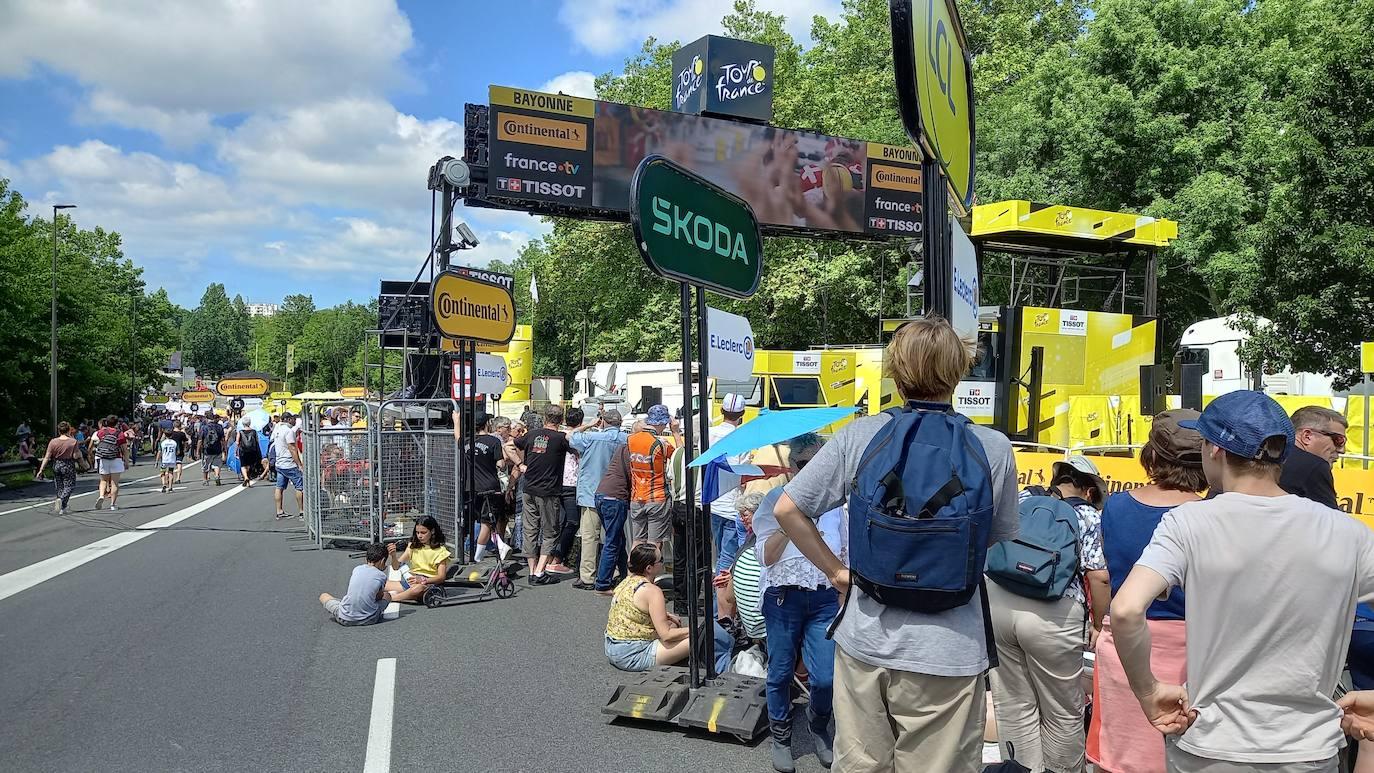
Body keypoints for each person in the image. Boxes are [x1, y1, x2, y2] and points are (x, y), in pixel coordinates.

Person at [772, 316, 1020, 773]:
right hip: (949, 651)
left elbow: (788, 510)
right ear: (959, 371)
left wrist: (836, 573)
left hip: (866, 639)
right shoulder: (992, 447)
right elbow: (996, 535)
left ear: (895, 371)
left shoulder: (860, 436)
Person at [1111, 390, 1374, 772]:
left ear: (1215, 450)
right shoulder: (1348, 532)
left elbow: (1125, 610)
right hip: (1308, 750)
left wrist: (1147, 691)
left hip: (1211, 746)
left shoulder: (1189, 522)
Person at [1087, 409, 1206, 773]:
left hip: (1124, 642)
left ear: (1151, 454)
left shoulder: (1117, 505)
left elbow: (1106, 573)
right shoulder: (1210, 514)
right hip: (1191, 647)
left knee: (1119, 755)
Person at [988, 453, 1109, 773]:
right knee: (1061, 710)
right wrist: (1098, 623)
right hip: (1054, 614)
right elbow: (1099, 575)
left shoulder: (1023, 498)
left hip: (999, 602)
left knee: (1013, 705)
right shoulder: (1089, 516)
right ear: (1090, 491)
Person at [750, 433, 847, 772]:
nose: (811, 470)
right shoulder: (774, 501)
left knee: (825, 678)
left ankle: (818, 726)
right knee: (779, 672)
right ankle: (781, 737)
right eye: (804, 463)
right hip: (783, 598)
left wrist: (843, 593)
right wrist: (791, 522)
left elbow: (845, 552)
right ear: (791, 467)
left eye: (818, 463)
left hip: (823, 598)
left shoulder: (836, 505)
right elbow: (765, 556)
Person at [604, 543, 690, 672]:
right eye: (660, 560)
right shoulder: (652, 591)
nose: (663, 562)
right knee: (697, 638)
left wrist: (667, 616)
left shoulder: (627, 581)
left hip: (613, 647)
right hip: (633, 654)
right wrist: (694, 630)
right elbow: (666, 635)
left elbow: (634, 610)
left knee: (673, 623)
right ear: (649, 568)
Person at [513, 404, 571, 585]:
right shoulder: (561, 438)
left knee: (530, 530)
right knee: (550, 531)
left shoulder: (532, 434)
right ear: (561, 420)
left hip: (529, 487)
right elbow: (575, 441)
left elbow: (509, 445)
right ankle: (539, 571)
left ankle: (532, 570)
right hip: (548, 490)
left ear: (545, 417)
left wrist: (520, 464)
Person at [570, 408, 628, 590]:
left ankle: (588, 575)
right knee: (614, 536)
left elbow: (571, 436)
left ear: (603, 421)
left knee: (590, 536)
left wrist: (588, 425)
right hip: (617, 493)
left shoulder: (592, 438)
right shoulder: (626, 439)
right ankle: (615, 571)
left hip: (591, 491)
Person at [708, 394, 750, 607]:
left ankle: (719, 606)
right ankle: (720, 610)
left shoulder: (709, 433)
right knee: (728, 558)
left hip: (713, 501)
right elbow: (743, 474)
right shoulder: (743, 437)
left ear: (722, 411)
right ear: (742, 414)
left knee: (719, 555)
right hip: (732, 504)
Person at [626, 405, 682, 550]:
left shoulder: (631, 439)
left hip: (636, 497)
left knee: (637, 542)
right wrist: (676, 432)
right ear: (663, 423)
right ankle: (653, 565)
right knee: (654, 544)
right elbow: (680, 457)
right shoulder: (661, 444)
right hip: (657, 497)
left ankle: (632, 565)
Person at [462, 412, 514, 563]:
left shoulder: (466, 441)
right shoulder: (493, 441)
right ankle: (477, 556)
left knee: (478, 519)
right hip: (490, 486)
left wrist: (456, 419)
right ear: (487, 424)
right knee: (487, 522)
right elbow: (500, 464)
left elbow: (457, 437)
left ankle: (484, 547)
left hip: (471, 487)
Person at [1280, 404, 1346, 509]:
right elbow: (1331, 517)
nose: (1342, 450)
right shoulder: (1315, 467)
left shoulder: (1268, 456)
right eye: (1338, 440)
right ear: (1307, 436)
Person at [546, 407, 586, 577]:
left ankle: (550, 557)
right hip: (571, 483)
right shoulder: (574, 437)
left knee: (560, 522)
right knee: (572, 522)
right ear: (581, 421)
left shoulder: (558, 435)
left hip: (556, 481)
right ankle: (557, 559)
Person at [319, 543, 392, 626]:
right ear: (382, 561)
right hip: (369, 619)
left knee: (323, 596)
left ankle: (346, 607)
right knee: (387, 595)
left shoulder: (357, 569)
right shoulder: (381, 575)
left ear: (366, 558)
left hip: (343, 617)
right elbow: (379, 596)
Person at [594, 440, 633, 595]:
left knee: (618, 540)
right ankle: (602, 584)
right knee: (613, 541)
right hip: (615, 498)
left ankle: (625, 577)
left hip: (602, 494)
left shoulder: (622, 448)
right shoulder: (632, 452)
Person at [384, 516, 452, 604]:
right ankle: (404, 595)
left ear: (432, 531)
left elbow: (441, 577)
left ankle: (392, 598)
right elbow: (396, 567)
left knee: (418, 589)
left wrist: (423, 580)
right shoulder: (412, 546)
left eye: (423, 532)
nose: (419, 536)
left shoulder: (441, 551)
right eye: (417, 532)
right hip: (412, 581)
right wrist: (393, 556)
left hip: (429, 584)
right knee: (380, 583)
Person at [36, 422, 81, 514]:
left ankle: (62, 508)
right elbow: (76, 456)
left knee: (59, 486)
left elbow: (47, 457)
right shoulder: (73, 442)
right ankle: (61, 499)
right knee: (69, 485)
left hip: (56, 464)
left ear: (59, 431)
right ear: (68, 430)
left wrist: (41, 470)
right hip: (68, 464)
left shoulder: (53, 442)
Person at [91, 415, 129, 511]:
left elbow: (96, 439)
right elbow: (124, 449)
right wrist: (126, 461)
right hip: (116, 459)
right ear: (117, 423)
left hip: (103, 458)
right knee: (114, 483)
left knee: (103, 480)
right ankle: (113, 504)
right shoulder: (120, 434)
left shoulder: (102, 432)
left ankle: (101, 496)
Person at [272, 412, 303, 518]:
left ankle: (279, 510)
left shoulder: (277, 430)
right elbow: (292, 448)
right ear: (289, 419)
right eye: (293, 419)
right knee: (299, 486)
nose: (295, 421)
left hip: (279, 462)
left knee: (279, 487)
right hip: (289, 463)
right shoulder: (289, 431)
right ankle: (302, 511)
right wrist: (299, 464)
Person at [198, 412, 226, 486]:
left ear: (206, 418)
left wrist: (198, 451)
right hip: (217, 448)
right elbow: (223, 439)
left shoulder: (204, 427)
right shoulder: (219, 426)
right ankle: (217, 476)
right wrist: (224, 449)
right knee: (217, 464)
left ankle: (205, 479)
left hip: (207, 449)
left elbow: (200, 440)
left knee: (205, 465)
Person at [235, 418, 262, 487]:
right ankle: (248, 477)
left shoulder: (240, 432)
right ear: (250, 423)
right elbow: (257, 441)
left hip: (243, 451)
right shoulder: (254, 431)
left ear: (243, 424)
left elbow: (237, 442)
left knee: (243, 465)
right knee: (250, 465)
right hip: (252, 450)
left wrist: (236, 451)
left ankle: (246, 477)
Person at [164, 419, 190, 485]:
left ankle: (168, 478)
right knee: (179, 464)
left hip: (171, 450)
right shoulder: (181, 433)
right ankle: (178, 478)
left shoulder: (171, 433)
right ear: (180, 426)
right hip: (180, 450)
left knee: (169, 465)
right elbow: (186, 441)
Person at [157, 427, 179, 493]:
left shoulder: (162, 442)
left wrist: (157, 461)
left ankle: (164, 484)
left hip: (164, 459)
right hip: (172, 459)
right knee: (171, 472)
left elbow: (159, 452)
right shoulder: (174, 442)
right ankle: (170, 487)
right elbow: (178, 452)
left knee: (162, 472)